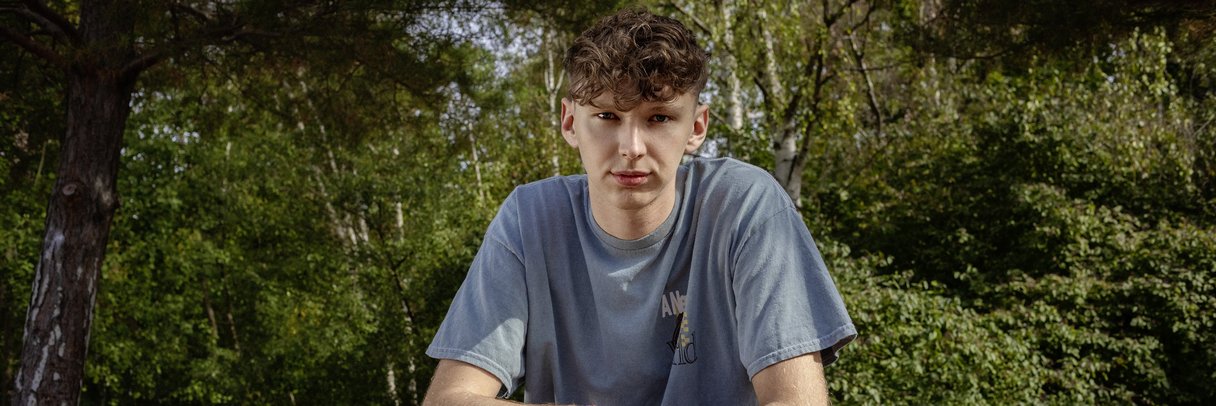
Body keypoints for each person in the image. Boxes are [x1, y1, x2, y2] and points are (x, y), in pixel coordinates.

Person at [422, 8, 855, 405]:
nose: (631, 148)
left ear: (696, 127)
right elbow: (451, 397)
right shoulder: (530, 220)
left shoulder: (744, 207)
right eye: (608, 117)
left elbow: (796, 399)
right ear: (571, 122)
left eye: (659, 118)